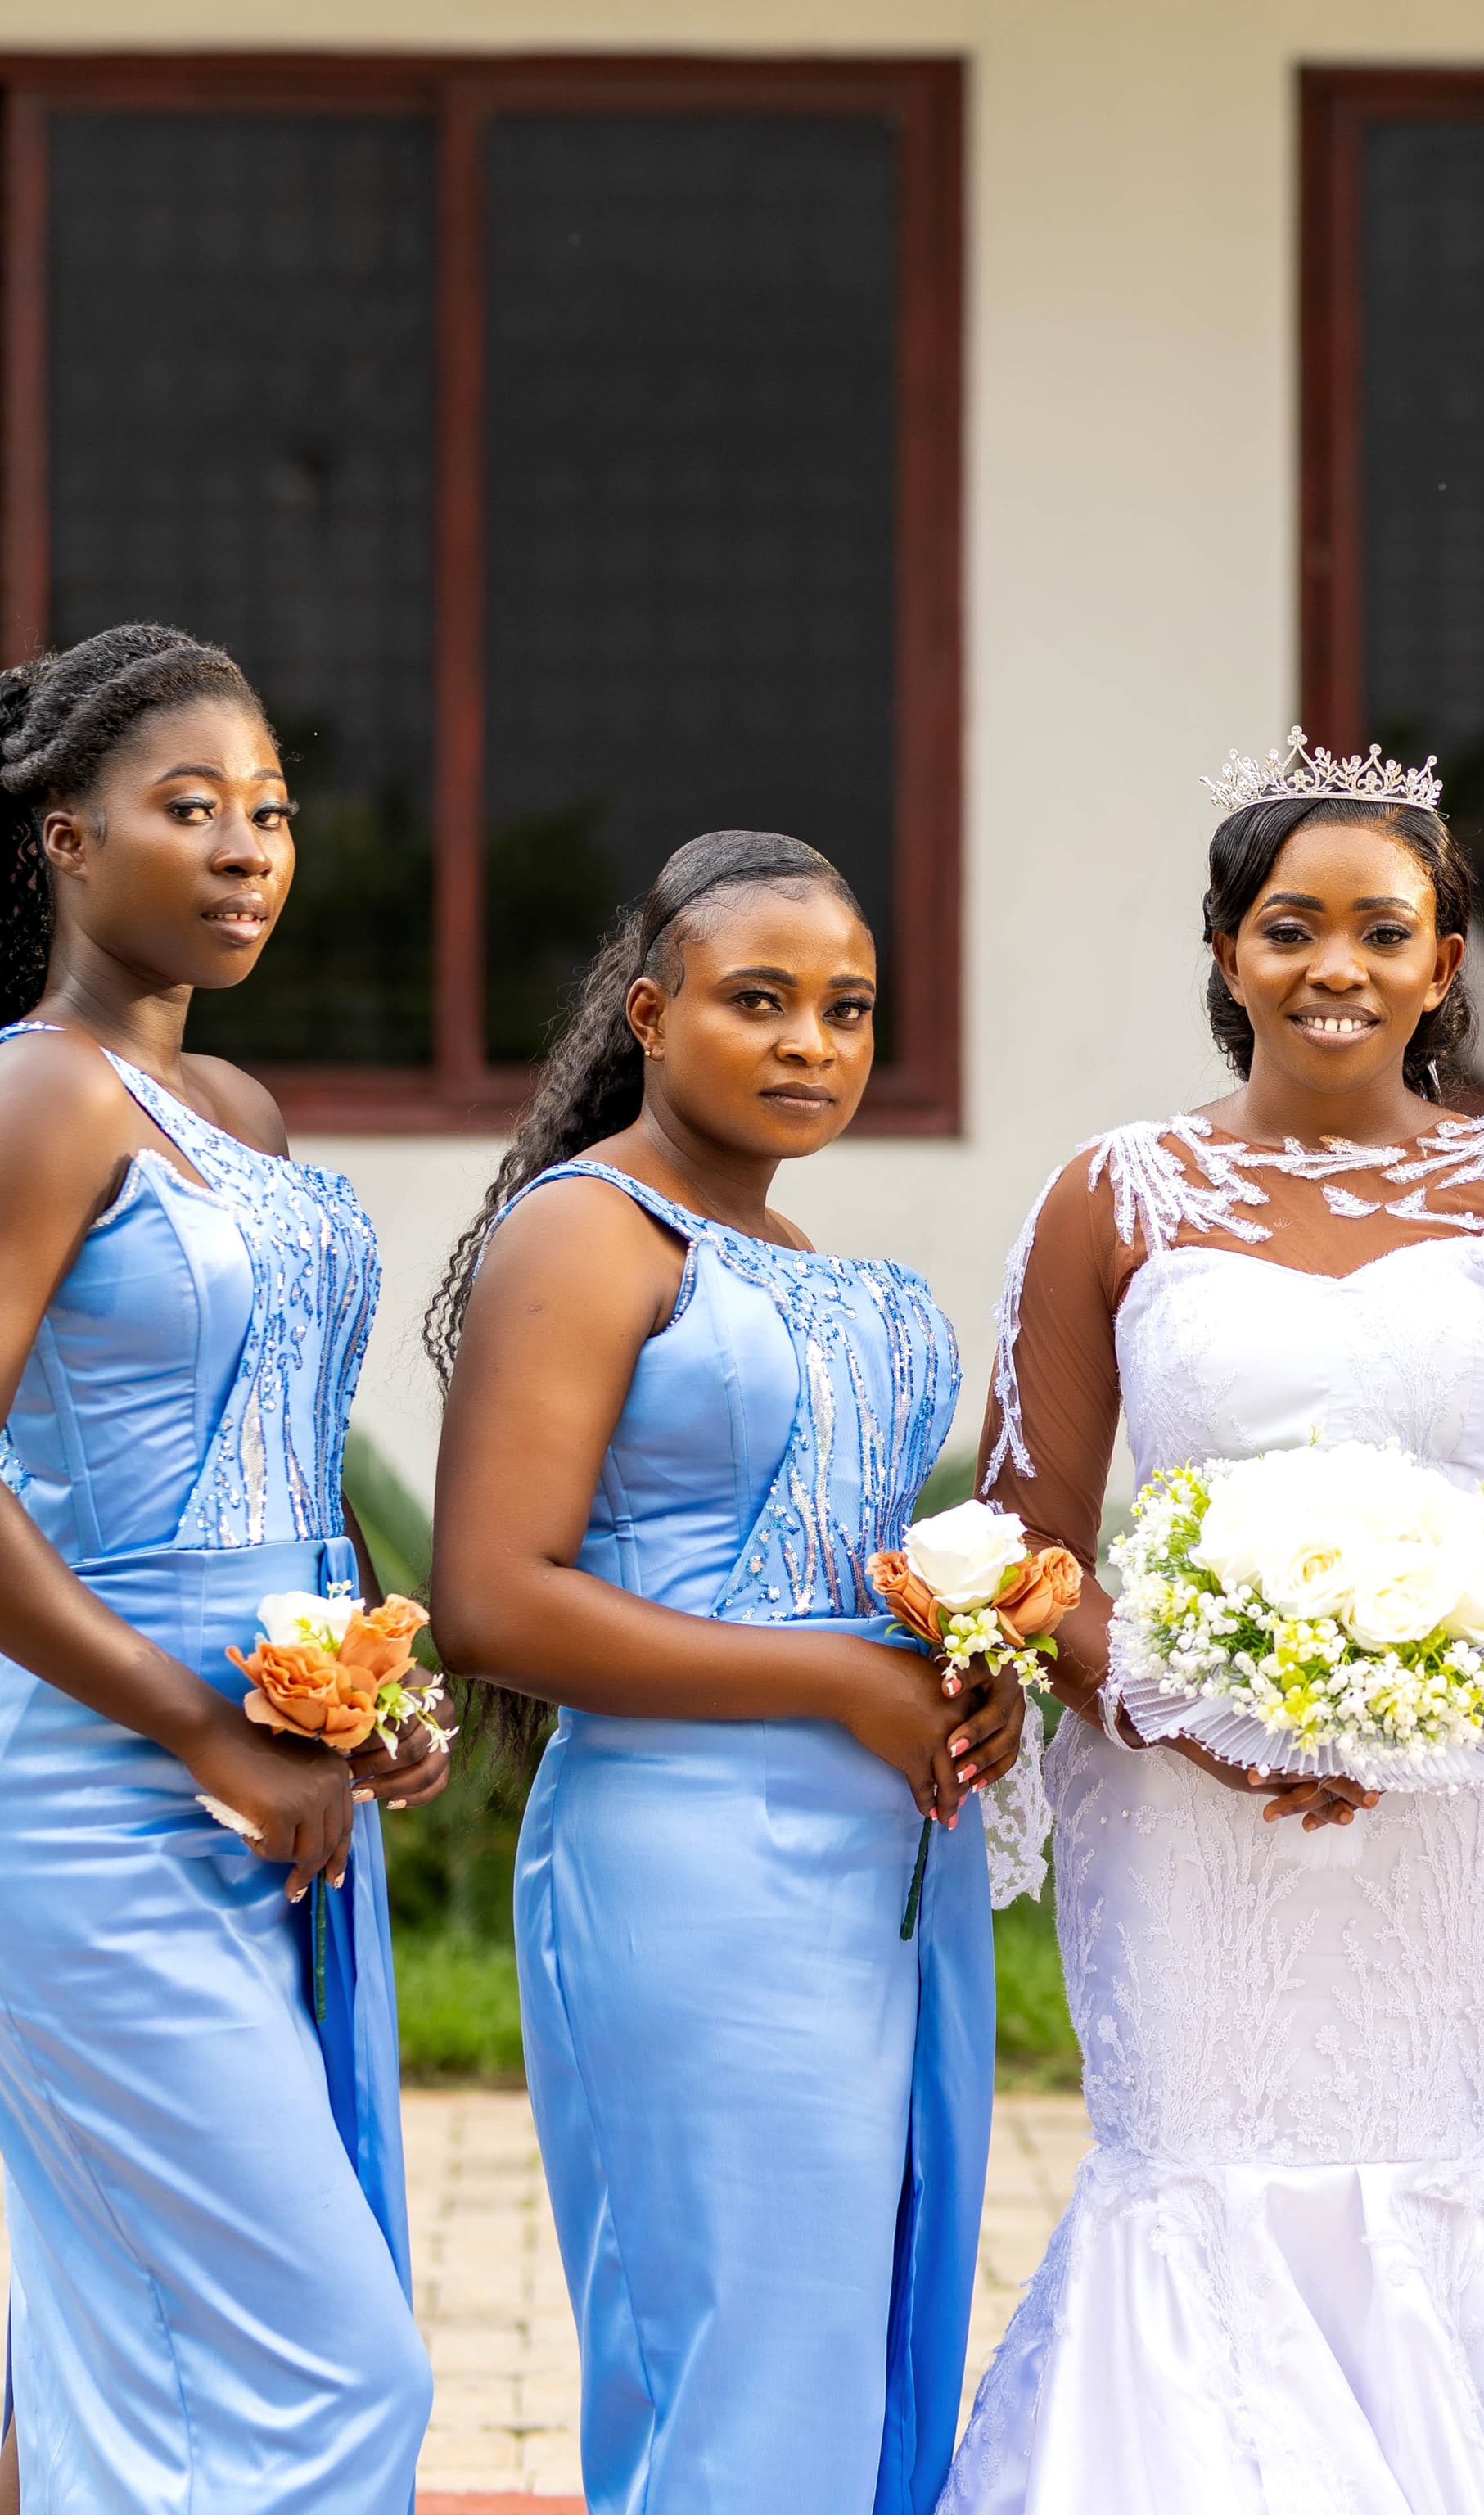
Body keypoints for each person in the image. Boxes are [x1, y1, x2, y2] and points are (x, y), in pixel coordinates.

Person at [940, 737, 1484, 2513]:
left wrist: (1464, 1708)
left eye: (1380, 929)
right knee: (1200, 2166)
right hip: (1187, 1801)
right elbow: (1025, 1536)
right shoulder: (1110, 1195)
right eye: (1289, 926)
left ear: (1442, 963)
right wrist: (1196, 1715)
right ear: (1224, 951)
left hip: (1478, 1806)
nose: (1333, 966)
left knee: (1457, 2162)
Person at [0, 624, 442, 2514]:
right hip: (76, 1805)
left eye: (270, 812)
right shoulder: (40, 1097)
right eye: (188, 809)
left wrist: (375, 1698)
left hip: (256, 1791)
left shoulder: (242, 1119)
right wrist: (207, 1729)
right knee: (325, 2371)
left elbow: (280, 1466)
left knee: (118, 2357)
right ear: (63, 839)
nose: (248, 848)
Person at [425, 831, 1022, 2514]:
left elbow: (851, 1560)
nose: (810, 1044)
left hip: (887, 1870)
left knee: (864, 2326)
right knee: (746, 2344)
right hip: (693, 1860)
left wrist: (961, 1671)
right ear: (649, 1012)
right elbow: (490, 1598)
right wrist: (843, 1685)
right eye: (757, 1001)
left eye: (848, 1010)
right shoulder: (589, 1233)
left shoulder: (817, 1267)